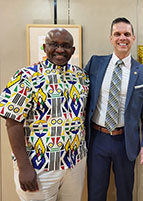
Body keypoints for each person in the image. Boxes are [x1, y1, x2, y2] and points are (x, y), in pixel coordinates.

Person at [0, 28, 89, 201]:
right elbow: (12, 122)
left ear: (73, 50)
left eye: (66, 46)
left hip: (74, 163)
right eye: (54, 45)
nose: (60, 50)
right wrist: (24, 166)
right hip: (39, 167)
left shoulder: (81, 77)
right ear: (44, 47)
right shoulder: (26, 76)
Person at [85, 17, 143, 201]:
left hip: (126, 141)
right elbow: (78, 89)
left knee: (125, 192)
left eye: (126, 34)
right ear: (110, 38)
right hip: (97, 139)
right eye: (117, 34)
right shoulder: (95, 64)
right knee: (96, 192)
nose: (122, 38)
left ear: (133, 38)